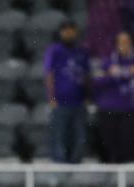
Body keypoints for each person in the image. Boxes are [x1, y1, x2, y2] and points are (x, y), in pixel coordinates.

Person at [92, 31, 134, 163]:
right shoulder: (107, 62)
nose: (125, 45)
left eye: (127, 42)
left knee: (129, 148)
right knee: (110, 147)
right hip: (109, 110)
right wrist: (111, 75)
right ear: (116, 45)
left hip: (131, 111)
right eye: (122, 42)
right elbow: (96, 83)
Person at [44, 19, 90, 164]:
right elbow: (49, 73)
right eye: (65, 30)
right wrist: (51, 97)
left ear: (75, 32)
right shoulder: (54, 50)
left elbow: (86, 75)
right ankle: (60, 168)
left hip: (79, 101)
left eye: (71, 29)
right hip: (60, 101)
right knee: (60, 137)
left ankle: (76, 166)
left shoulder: (82, 51)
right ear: (61, 32)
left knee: (79, 138)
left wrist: (88, 96)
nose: (68, 32)